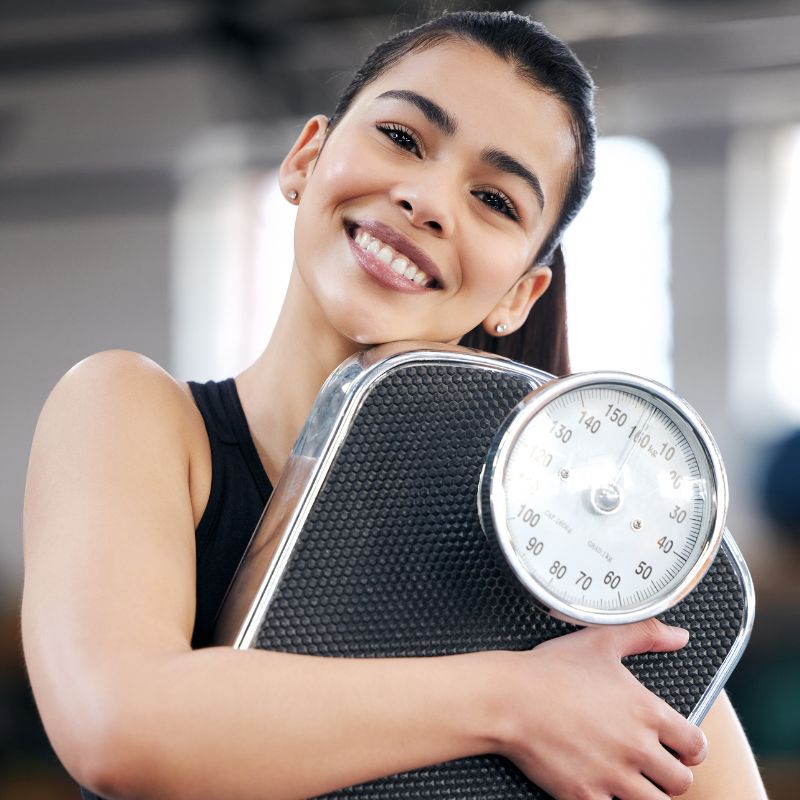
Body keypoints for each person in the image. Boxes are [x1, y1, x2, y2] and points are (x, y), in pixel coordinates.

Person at [21, 10, 766, 800]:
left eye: (495, 199)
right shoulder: (133, 414)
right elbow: (119, 725)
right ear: (307, 157)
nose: (428, 200)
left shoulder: (581, 543)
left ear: (521, 294)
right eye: (404, 139)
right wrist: (515, 700)